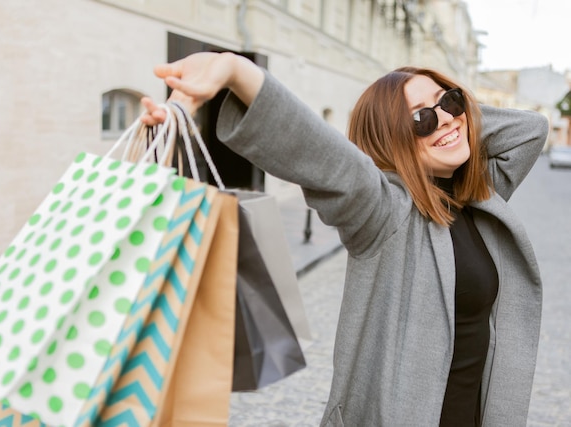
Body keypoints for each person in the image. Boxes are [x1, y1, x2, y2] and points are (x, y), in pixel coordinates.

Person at [140, 52, 549, 426]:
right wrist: (236, 71)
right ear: (391, 143)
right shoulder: (382, 210)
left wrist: (450, 118)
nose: (443, 119)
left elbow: (530, 130)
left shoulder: (480, 194)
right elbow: (323, 155)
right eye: (419, 120)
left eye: (450, 101)